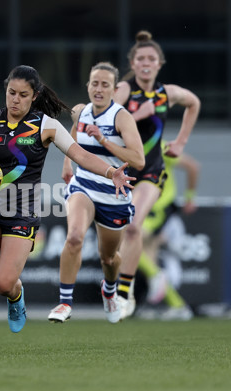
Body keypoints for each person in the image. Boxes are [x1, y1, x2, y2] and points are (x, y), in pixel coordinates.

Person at [0, 65, 135, 355]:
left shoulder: (47, 125)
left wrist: (110, 171)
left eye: (23, 95)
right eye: (11, 93)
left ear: (34, 96)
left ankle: (16, 297)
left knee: (3, 283)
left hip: (22, 210)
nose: (15, 99)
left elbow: (80, 154)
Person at [47, 62, 145, 324]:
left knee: (109, 257)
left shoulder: (121, 117)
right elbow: (73, 135)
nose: (98, 89)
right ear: (87, 86)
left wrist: (103, 140)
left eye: (104, 84)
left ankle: (109, 291)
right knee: (75, 237)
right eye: (94, 83)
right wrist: (68, 163)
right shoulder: (80, 111)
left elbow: (138, 160)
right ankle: (65, 303)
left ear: (114, 89)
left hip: (114, 194)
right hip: (84, 184)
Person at [112, 30, 200, 320]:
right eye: (141, 58)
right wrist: (139, 114)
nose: (146, 62)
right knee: (122, 236)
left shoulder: (167, 93)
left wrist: (181, 142)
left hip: (151, 175)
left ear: (159, 63)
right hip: (122, 174)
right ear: (133, 63)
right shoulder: (124, 91)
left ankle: (126, 293)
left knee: (135, 228)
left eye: (152, 58)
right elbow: (104, 125)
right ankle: (126, 288)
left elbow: (194, 103)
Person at [138, 143, 200, 320]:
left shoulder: (160, 146)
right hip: (141, 208)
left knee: (128, 243)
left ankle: (158, 278)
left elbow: (192, 166)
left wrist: (189, 198)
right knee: (144, 259)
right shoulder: (129, 142)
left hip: (157, 209)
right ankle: (178, 306)